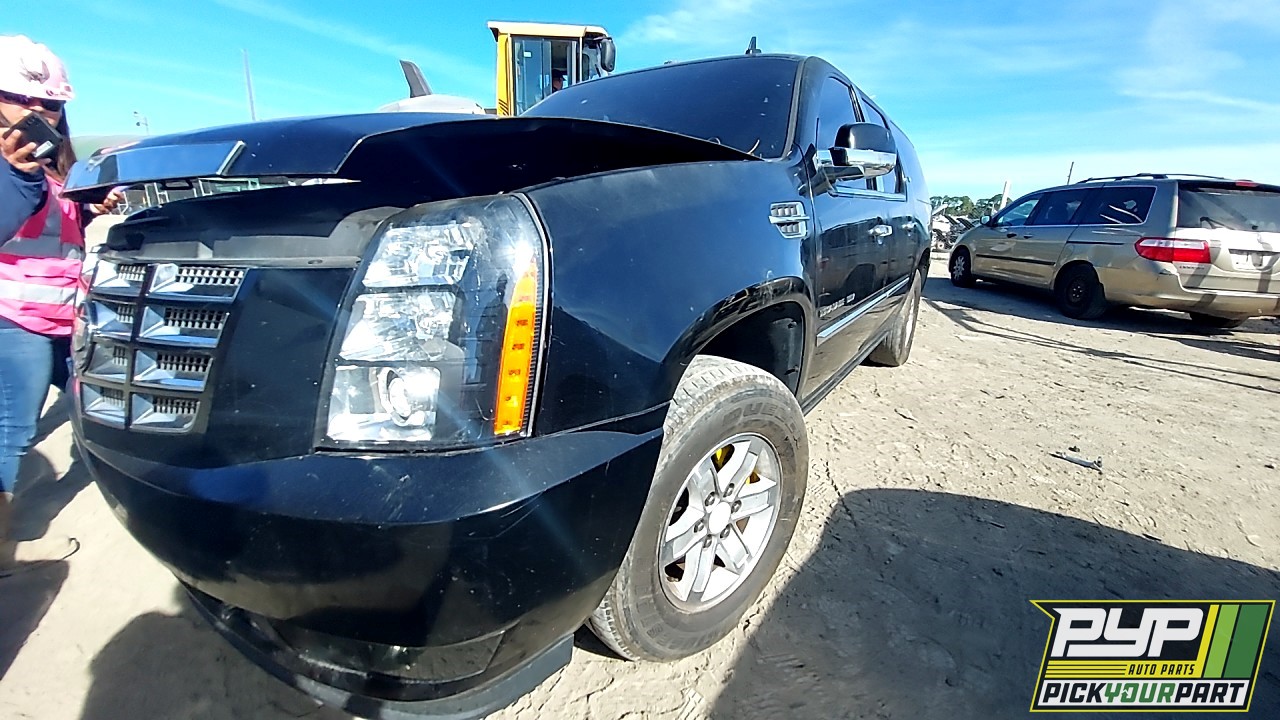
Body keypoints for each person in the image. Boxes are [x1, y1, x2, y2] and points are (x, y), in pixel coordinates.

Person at [0, 35, 119, 575]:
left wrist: (89, 207)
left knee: (92, 407)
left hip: (62, 318)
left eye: (49, 103)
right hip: (14, 321)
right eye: (24, 99)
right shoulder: (18, 170)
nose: (38, 113)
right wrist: (19, 177)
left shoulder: (48, 167)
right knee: (13, 434)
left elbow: (56, 236)